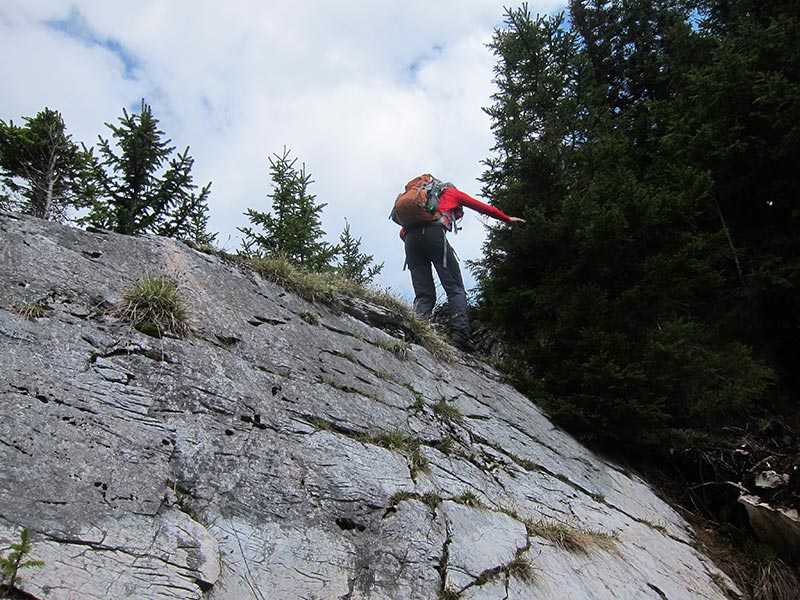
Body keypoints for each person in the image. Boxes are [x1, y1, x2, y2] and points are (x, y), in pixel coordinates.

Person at [398, 180, 525, 352]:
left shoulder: (420, 201)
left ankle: (415, 330)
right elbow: (480, 206)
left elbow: (402, 231)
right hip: (434, 234)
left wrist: (417, 241)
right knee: (455, 287)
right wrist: (506, 218)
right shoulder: (452, 193)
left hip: (410, 240)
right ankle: (460, 334)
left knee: (424, 294)